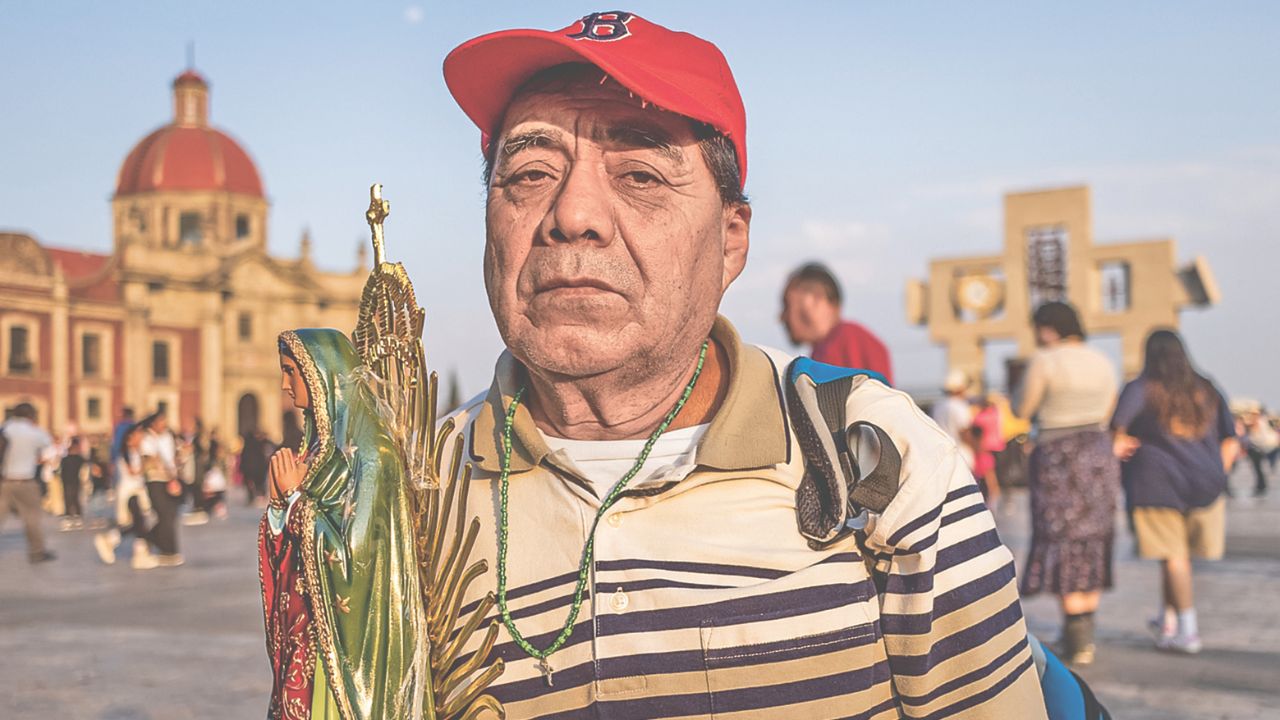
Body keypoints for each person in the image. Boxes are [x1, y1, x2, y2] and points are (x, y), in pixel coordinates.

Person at [437, 13, 1046, 717]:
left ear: (730, 241)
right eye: (529, 171)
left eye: (639, 173)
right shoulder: (410, 490)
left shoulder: (877, 456)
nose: (572, 214)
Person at [258, 329, 426, 718]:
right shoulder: (318, 448)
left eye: (290, 372)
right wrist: (280, 507)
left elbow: (357, 556)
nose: (284, 386)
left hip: (349, 652)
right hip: (312, 639)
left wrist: (297, 500)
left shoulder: (374, 455)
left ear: (320, 374)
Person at [1111, 329, 1238, 655]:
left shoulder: (1142, 388)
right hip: (1207, 483)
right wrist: (1218, 475)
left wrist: (1122, 445)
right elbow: (1231, 439)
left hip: (1157, 483)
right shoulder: (1206, 387)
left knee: (1173, 557)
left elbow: (1117, 428)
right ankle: (1167, 620)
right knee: (1177, 559)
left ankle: (1188, 630)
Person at [1017, 301, 1119, 665]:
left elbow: (1022, 407)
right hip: (1097, 451)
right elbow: (1109, 408)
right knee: (1091, 538)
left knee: (1062, 536)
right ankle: (1081, 632)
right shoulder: (1103, 361)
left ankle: (1077, 638)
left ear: (1047, 328)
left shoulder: (1046, 360)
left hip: (1057, 453)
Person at [781, 262, 895, 384]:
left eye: (787, 305)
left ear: (817, 298)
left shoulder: (850, 339)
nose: (782, 317)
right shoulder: (823, 350)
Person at [93, 422, 159, 569]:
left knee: (136, 524)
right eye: (138, 435)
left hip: (135, 492)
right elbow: (133, 472)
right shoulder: (126, 454)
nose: (141, 437)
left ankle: (110, 540)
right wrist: (147, 464)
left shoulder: (135, 453)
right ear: (130, 438)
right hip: (130, 493)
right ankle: (139, 556)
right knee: (140, 524)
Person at [0, 402, 56, 563]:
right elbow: (48, 445)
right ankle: (37, 552)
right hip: (25, 481)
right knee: (32, 518)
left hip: (4, 481)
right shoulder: (34, 431)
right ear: (31, 415)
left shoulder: (5, 428)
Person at [139, 410, 183, 566]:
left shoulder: (168, 437)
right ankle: (167, 550)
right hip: (155, 480)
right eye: (161, 421)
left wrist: (175, 474)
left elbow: (174, 456)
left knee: (171, 514)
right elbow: (149, 459)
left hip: (170, 480)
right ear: (153, 423)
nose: (164, 424)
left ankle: (155, 541)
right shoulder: (146, 438)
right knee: (164, 514)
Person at [932, 368, 976, 468]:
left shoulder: (937, 406)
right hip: (961, 455)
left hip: (942, 455)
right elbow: (965, 432)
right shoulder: (960, 406)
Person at [58, 435, 89, 529]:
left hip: (74, 480)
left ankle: (77, 515)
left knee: (74, 497)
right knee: (69, 497)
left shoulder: (78, 458)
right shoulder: (67, 458)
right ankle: (69, 515)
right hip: (68, 480)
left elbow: (86, 467)